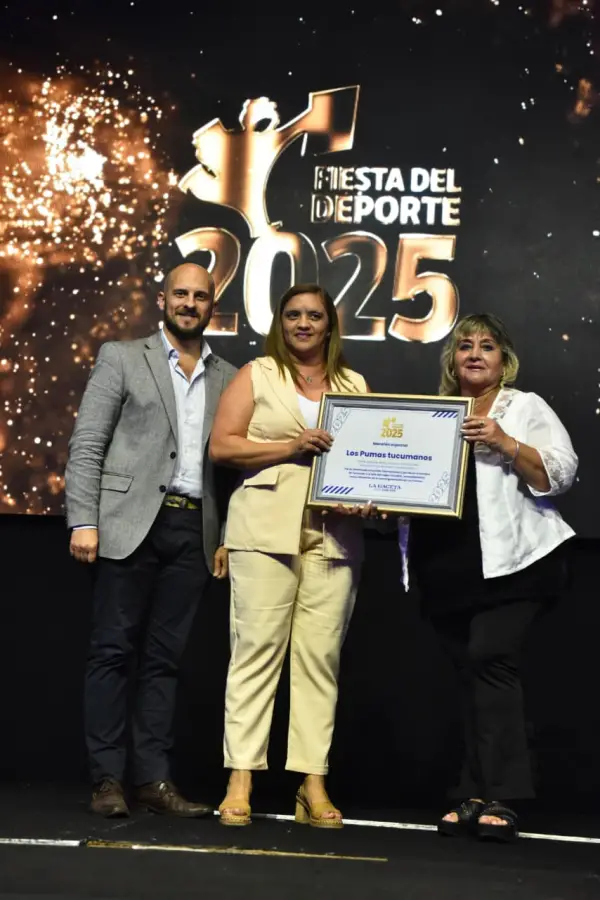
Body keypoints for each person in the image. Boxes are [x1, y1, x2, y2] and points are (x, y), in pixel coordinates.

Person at [65, 263, 237, 818]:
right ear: (163, 299)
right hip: (126, 522)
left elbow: (230, 473)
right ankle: (107, 779)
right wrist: (82, 520)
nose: (190, 303)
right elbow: (88, 445)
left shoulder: (229, 376)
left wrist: (225, 534)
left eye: (200, 296)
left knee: (165, 661)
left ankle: (153, 780)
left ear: (214, 305)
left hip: (193, 527)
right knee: (112, 653)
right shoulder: (121, 356)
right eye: (181, 294)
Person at [403, 313, 577, 842]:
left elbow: (562, 473)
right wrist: (381, 502)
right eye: (464, 346)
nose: (474, 354)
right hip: (447, 561)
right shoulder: (432, 414)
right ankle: (474, 792)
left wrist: (505, 443)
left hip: (515, 562)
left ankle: (504, 795)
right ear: (451, 360)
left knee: (490, 658)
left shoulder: (523, 407)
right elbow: (405, 477)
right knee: (468, 675)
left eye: (487, 347)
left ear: (505, 360)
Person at [209, 283, 376, 828]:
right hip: (264, 531)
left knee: (319, 660)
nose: (303, 324)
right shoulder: (258, 374)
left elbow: (371, 458)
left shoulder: (354, 384)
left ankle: (312, 783)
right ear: (280, 323)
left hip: (335, 536)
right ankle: (241, 779)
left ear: (330, 325)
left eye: (314, 316)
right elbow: (223, 446)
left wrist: (373, 497)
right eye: (293, 315)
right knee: (255, 653)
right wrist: (291, 446)